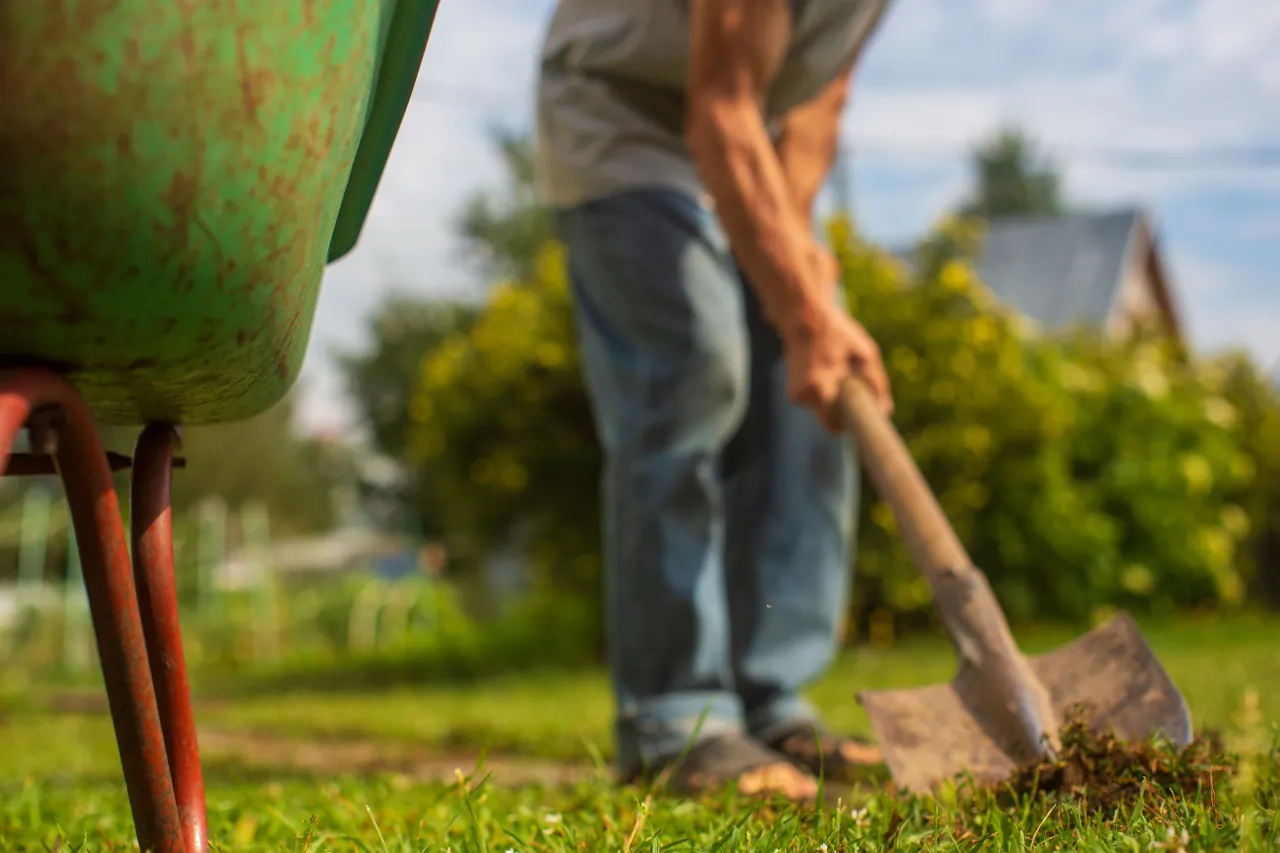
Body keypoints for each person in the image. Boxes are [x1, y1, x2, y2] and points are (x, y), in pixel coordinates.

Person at [534, 0, 896, 800]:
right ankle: (676, 718)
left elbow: (817, 97)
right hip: (621, 114)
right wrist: (803, 311)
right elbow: (722, 101)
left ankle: (770, 702)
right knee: (693, 366)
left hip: (746, 144)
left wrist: (797, 272)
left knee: (806, 391)